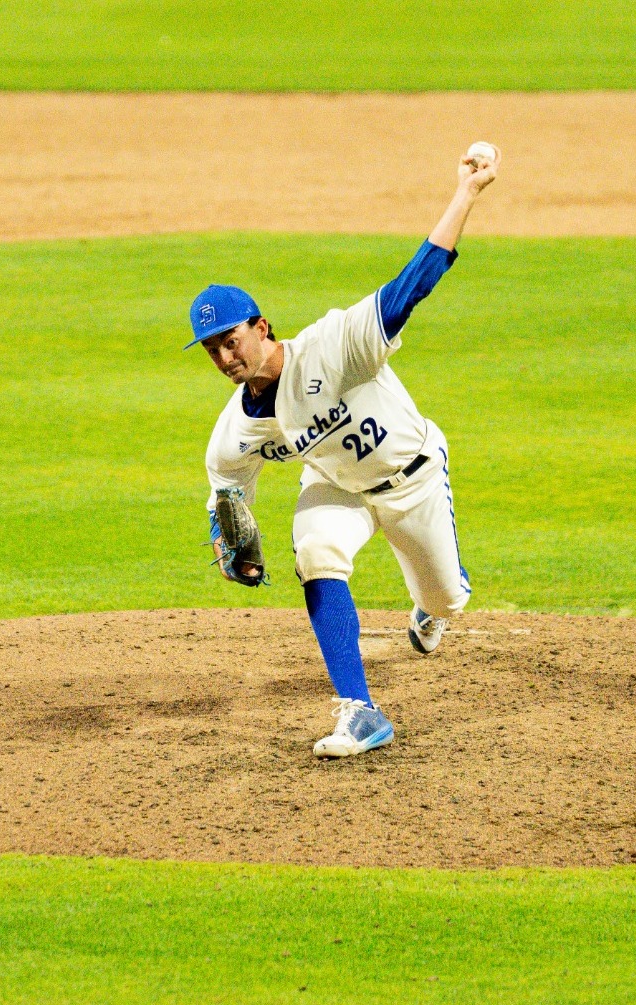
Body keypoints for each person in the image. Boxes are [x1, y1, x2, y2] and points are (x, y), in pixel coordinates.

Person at [189, 149, 499, 758]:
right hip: (337, 487)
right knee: (316, 550)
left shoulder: (334, 347)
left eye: (231, 341)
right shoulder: (235, 432)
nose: (226, 359)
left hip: (412, 479)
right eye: (212, 351)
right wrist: (239, 550)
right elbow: (228, 495)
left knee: (445, 599)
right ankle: (360, 711)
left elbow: (415, 282)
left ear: (262, 327)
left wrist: (466, 194)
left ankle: (430, 607)